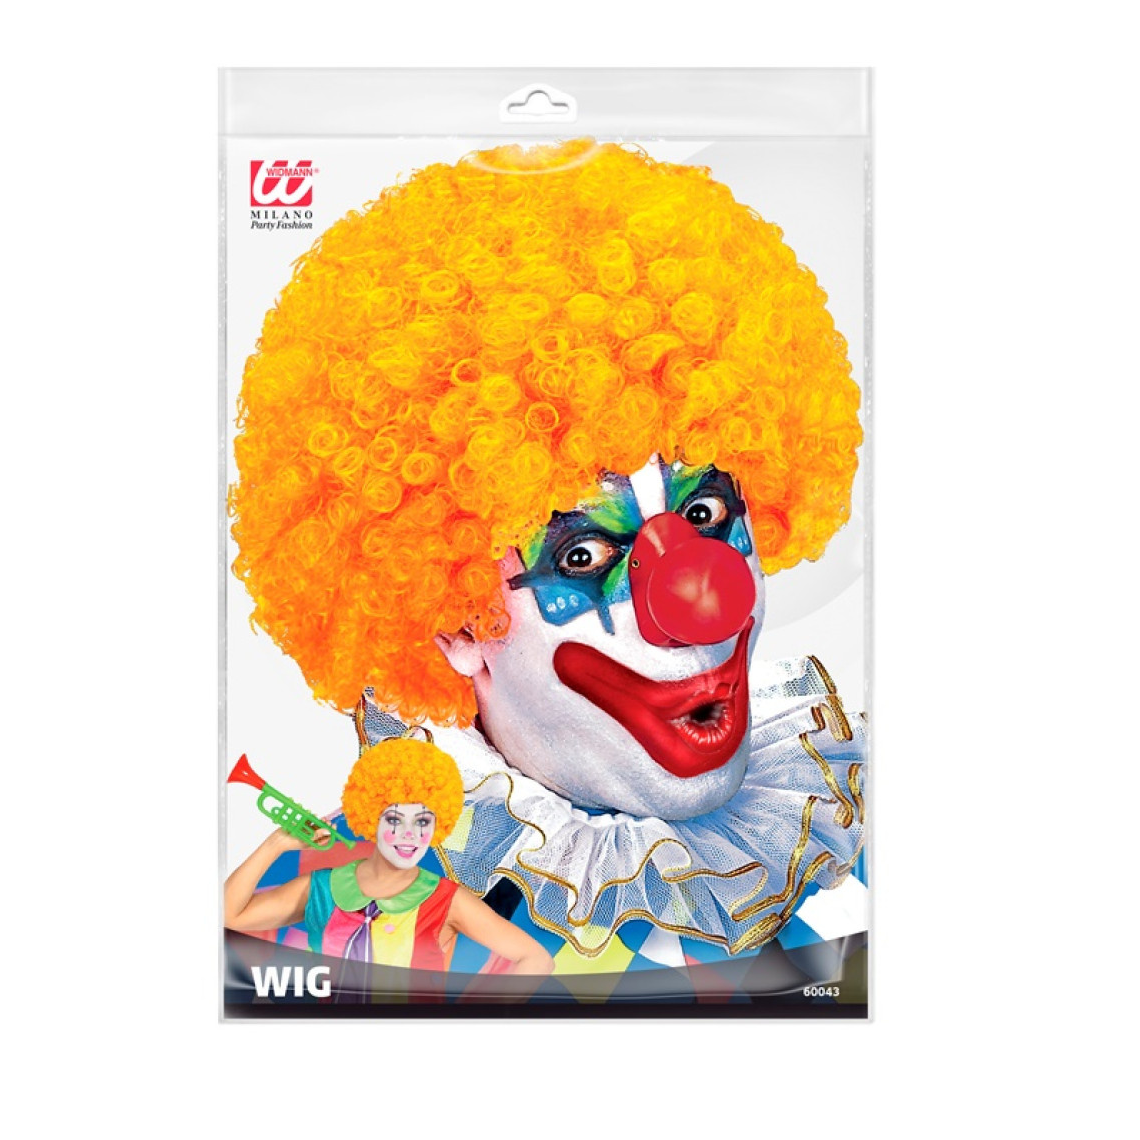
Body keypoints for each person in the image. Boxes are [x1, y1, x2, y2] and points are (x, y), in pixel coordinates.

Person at [231, 139, 867, 973]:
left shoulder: (857, 847)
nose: (698, 604)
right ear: (457, 621)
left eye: (706, 513)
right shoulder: (352, 906)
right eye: (584, 554)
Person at [224, 737, 554, 979]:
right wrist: (274, 845)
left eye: (422, 821)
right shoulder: (320, 889)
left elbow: (536, 959)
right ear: (371, 818)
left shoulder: (446, 900)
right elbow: (230, 915)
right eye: (395, 819)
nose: (409, 834)